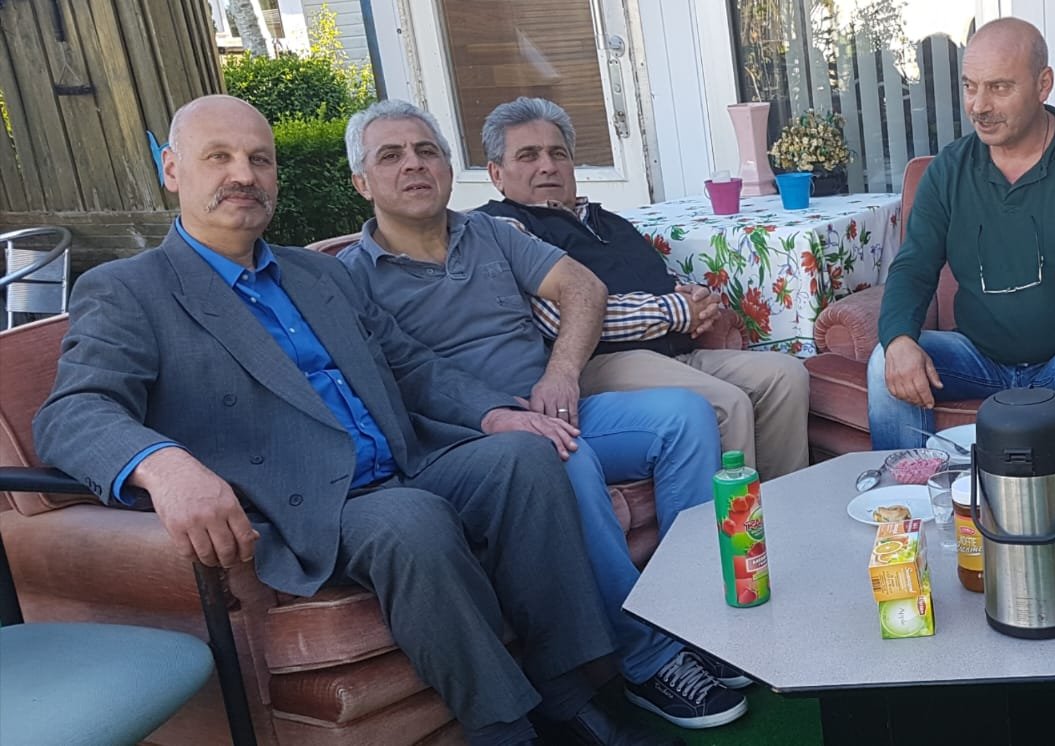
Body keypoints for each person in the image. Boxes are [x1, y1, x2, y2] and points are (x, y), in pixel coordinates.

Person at [31, 95, 669, 746]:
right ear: (172, 169)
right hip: (304, 502)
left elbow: (409, 365)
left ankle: (569, 693)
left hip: (406, 461)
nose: (244, 175)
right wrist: (162, 466)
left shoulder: (317, 273)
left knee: (527, 459)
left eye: (259, 160)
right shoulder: (129, 290)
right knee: (410, 520)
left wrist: (492, 415)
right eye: (218, 157)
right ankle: (505, 731)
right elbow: (72, 411)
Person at [335, 100, 749, 731]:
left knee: (685, 417)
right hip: (465, 442)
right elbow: (398, 375)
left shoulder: (492, 233)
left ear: (448, 166)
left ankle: (694, 619)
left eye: (427, 151)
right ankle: (646, 658)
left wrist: (561, 373)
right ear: (362, 182)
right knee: (562, 460)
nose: (414, 165)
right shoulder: (349, 277)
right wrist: (500, 415)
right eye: (390, 156)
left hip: (553, 406)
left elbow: (583, 287)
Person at [473, 97, 811, 479]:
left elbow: (662, 280)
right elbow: (557, 317)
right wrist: (678, 311)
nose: (548, 165)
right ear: (496, 173)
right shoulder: (504, 227)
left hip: (671, 353)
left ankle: (783, 503)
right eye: (528, 156)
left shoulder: (608, 222)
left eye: (558, 153)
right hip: (599, 363)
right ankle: (735, 517)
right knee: (726, 402)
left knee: (785, 375)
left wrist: (697, 299)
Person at [868, 17, 1055, 454]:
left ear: (1043, 84)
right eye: (970, 86)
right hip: (976, 357)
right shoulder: (949, 170)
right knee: (884, 362)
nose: (979, 106)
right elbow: (913, 267)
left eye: (999, 87)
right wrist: (897, 339)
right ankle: (909, 491)